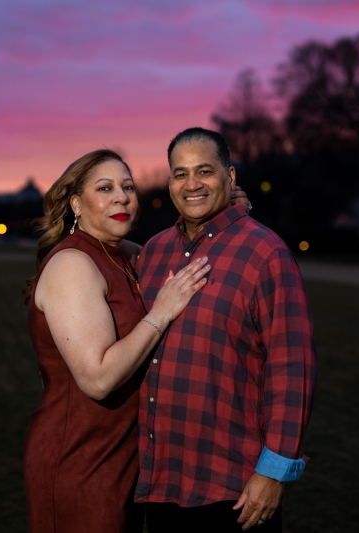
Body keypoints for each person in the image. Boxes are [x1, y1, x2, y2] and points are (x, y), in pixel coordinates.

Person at [134, 128, 317, 532]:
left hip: (233, 490)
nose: (191, 184)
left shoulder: (265, 252)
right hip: (160, 480)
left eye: (204, 171)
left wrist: (273, 473)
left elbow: (293, 369)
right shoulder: (153, 252)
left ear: (230, 177)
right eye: (180, 174)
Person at [22, 149, 214, 533]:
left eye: (128, 187)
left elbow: (181, 247)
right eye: (105, 188)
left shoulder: (125, 255)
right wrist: (160, 313)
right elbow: (97, 379)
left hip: (125, 457)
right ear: (76, 202)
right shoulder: (72, 265)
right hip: (80, 457)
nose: (122, 197)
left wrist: (218, 203)